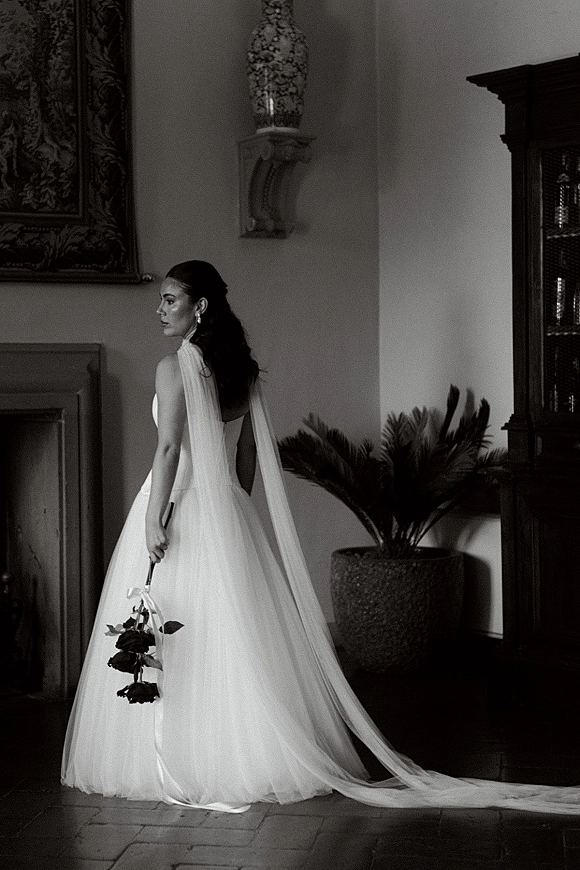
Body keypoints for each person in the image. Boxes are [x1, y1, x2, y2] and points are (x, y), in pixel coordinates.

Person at [62, 260, 580, 814]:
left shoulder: (176, 367)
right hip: (224, 511)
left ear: (200, 307)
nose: (160, 309)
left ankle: (180, 755)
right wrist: (229, 509)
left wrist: (153, 518)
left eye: (169, 299)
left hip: (174, 503)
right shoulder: (241, 370)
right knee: (232, 636)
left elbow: (168, 450)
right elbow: (245, 456)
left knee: (184, 626)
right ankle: (249, 751)